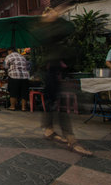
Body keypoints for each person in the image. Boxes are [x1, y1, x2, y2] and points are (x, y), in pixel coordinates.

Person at [38, 8, 92, 156]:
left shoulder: (53, 31)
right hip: (53, 71)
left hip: (57, 71)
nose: (52, 14)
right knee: (60, 105)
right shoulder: (46, 32)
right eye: (48, 13)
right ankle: (71, 140)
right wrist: (52, 20)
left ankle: (49, 130)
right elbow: (55, 36)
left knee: (53, 103)